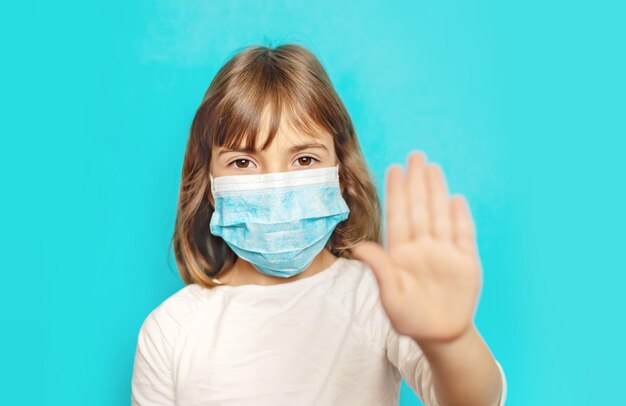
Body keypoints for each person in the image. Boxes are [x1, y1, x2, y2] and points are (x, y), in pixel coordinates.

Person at [131, 43, 507, 406]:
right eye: (243, 162)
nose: (276, 186)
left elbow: (474, 402)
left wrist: (450, 340)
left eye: (305, 160)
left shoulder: (379, 299)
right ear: (211, 187)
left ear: (340, 175)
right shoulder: (171, 330)